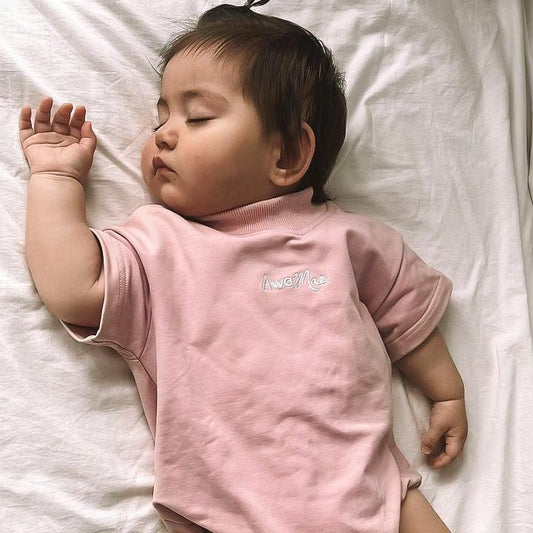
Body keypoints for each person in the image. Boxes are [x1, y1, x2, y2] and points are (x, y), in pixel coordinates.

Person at [19, 1, 468, 532]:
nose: (163, 134)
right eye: (162, 116)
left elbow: (406, 314)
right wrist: (57, 179)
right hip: (228, 509)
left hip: (373, 490)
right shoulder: (161, 246)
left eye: (198, 117)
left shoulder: (346, 240)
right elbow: (74, 287)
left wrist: (446, 391)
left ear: (286, 156)